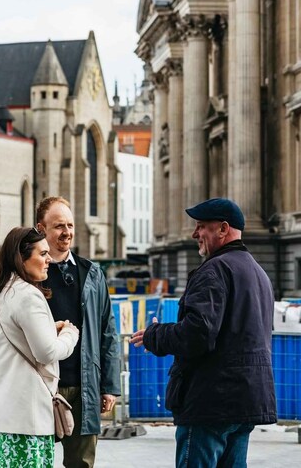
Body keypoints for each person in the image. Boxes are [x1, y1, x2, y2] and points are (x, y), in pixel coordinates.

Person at [130, 198, 277, 467]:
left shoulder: (214, 270)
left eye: (201, 226)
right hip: (245, 402)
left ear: (223, 229)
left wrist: (155, 335)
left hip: (211, 402)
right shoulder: (258, 273)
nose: (194, 234)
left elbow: (197, 334)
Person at [0, 227, 79, 467]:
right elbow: (47, 352)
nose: (49, 260)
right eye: (42, 254)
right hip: (27, 417)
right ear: (21, 258)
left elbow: (10, 337)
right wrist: (69, 334)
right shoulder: (28, 295)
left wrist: (47, 329)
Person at [36, 196, 120, 467]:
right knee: (38, 460)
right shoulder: (30, 274)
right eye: (59, 225)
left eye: (70, 225)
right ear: (41, 229)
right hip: (43, 385)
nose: (67, 232)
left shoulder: (92, 273)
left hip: (85, 386)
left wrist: (110, 386)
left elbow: (108, 331)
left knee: (82, 463)